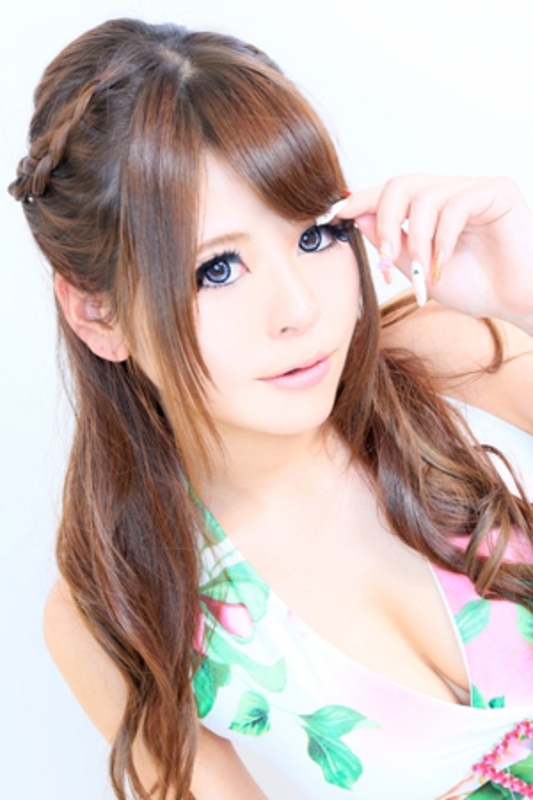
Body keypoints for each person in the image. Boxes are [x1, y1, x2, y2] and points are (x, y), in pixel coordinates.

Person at [9, 17, 533, 800]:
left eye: (315, 235)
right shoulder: (122, 603)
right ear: (98, 313)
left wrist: (524, 298)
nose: (299, 310)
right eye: (217, 269)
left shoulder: (435, 358)